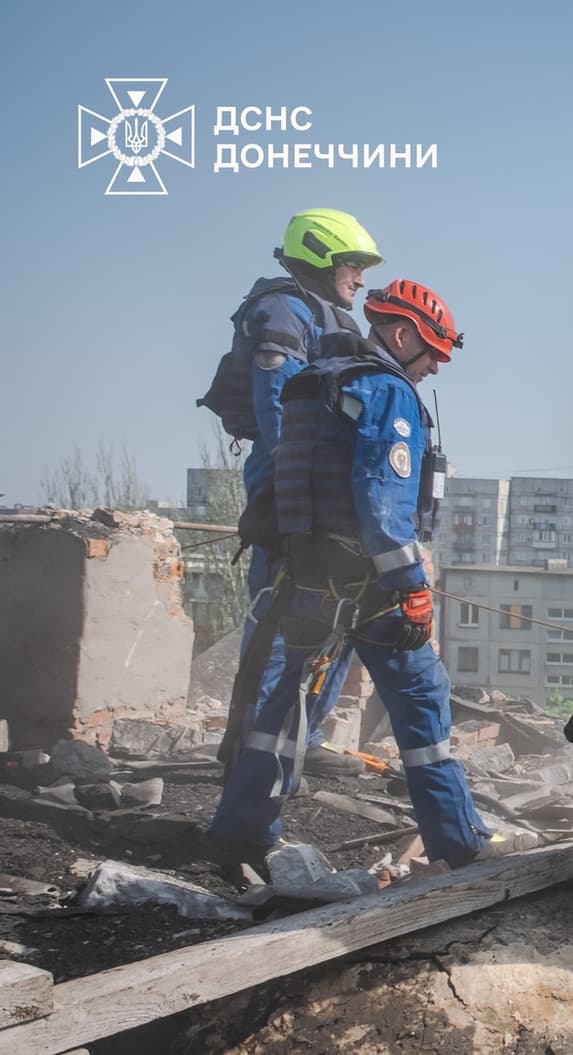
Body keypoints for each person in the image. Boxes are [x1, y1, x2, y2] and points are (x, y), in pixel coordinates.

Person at [206, 281, 491, 869]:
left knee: (280, 708)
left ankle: (240, 831)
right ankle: (460, 846)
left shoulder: (316, 381)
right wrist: (412, 587)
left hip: (306, 578)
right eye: (434, 351)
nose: (437, 366)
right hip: (370, 586)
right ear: (403, 334)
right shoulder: (386, 390)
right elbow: (384, 507)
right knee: (422, 701)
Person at [199, 209, 384, 777]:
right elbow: (278, 409)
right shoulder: (282, 310)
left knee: (337, 609)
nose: (361, 278)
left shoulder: (323, 314)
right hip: (287, 475)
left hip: (319, 479)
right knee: (281, 612)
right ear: (322, 256)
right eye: (353, 265)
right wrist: (296, 491)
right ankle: (252, 749)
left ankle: (302, 736)